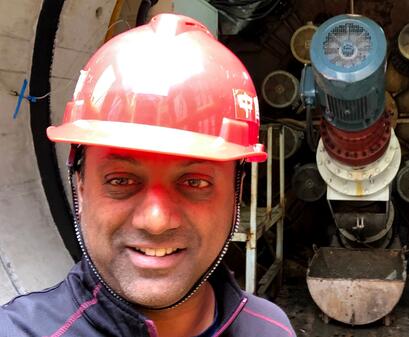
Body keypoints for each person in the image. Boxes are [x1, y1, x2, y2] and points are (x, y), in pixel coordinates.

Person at [0, 13, 295, 337]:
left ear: (236, 192)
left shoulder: (271, 329)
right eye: (121, 180)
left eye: (195, 182)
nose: (156, 221)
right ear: (80, 186)